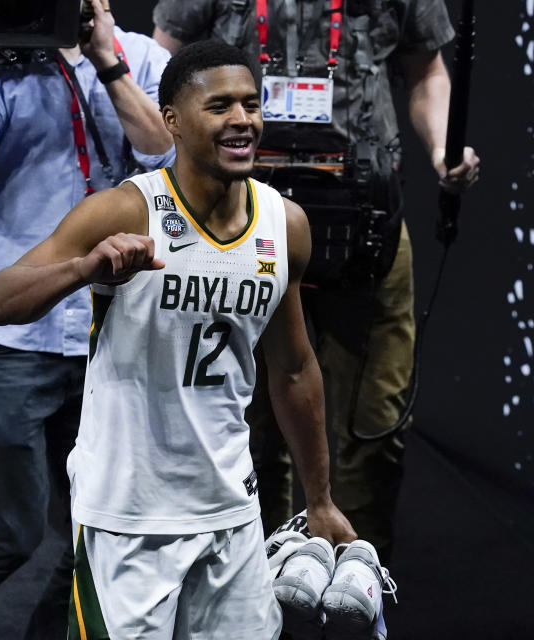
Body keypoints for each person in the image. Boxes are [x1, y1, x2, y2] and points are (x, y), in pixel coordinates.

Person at [0, 39, 356, 639]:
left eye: (251, 105)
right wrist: (83, 270)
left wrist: (319, 498)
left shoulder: (284, 224)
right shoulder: (126, 212)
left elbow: (292, 369)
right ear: (172, 123)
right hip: (127, 518)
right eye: (220, 107)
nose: (242, 121)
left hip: (231, 512)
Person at [152, 0, 480, 564]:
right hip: (240, 221)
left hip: (370, 226)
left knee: (374, 425)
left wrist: (441, 148)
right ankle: (256, 588)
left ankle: (356, 583)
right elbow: (162, 63)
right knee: (246, 425)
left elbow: (426, 70)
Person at [0, 2, 175, 639]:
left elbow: (166, 158)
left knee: (107, 529)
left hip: (109, 335)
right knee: (12, 529)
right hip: (4, 337)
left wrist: (108, 63)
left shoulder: (141, 56)